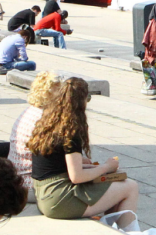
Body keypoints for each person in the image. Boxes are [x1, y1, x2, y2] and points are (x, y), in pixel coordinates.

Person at [28, 77, 137, 221]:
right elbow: (76, 177)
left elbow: (53, 165)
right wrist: (106, 167)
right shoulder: (70, 130)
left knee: (113, 186)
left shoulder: (48, 122)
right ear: (82, 101)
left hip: (43, 194)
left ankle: (116, 230)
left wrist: (85, 165)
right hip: (58, 200)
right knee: (130, 187)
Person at [8, 72, 58, 189]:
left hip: (16, 177)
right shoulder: (44, 120)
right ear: (50, 93)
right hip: (30, 183)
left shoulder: (31, 110)